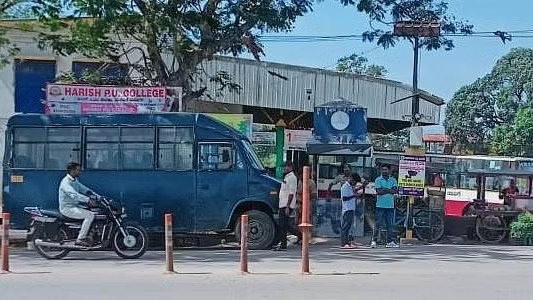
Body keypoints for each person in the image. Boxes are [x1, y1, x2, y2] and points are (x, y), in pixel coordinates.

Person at [59, 162, 99, 247]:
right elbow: (74, 195)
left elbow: (84, 189)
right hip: (67, 208)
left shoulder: (74, 180)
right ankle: (80, 238)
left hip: (74, 206)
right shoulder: (66, 183)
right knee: (90, 215)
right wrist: (88, 200)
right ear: (72, 171)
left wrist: (98, 197)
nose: (80, 172)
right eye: (78, 170)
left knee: (94, 211)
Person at [273, 160, 300, 251]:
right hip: (283, 204)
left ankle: (283, 245)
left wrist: (288, 206)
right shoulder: (287, 177)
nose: (284, 168)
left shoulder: (292, 177)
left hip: (286, 205)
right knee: (284, 225)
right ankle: (300, 236)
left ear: (291, 167)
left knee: (283, 225)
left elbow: (291, 193)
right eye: (284, 166)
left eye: (286, 167)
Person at [372, 164, 399, 248]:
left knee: (389, 225)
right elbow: (378, 192)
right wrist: (389, 190)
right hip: (380, 205)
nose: (384, 171)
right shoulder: (378, 179)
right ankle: (374, 241)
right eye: (382, 169)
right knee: (378, 224)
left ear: (389, 171)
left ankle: (389, 241)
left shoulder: (393, 180)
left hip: (390, 206)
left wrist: (385, 189)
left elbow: (394, 191)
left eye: (386, 169)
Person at [340, 173, 367, 248]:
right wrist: (354, 195)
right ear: (351, 179)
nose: (355, 183)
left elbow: (354, 191)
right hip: (347, 209)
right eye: (354, 182)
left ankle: (347, 242)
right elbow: (344, 198)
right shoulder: (345, 187)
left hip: (351, 208)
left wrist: (362, 186)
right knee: (345, 226)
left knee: (348, 227)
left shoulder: (350, 186)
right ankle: (343, 243)